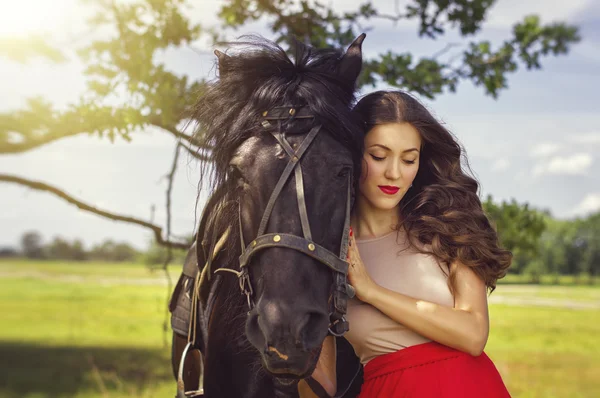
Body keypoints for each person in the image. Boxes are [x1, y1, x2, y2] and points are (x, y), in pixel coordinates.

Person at [301, 90, 512, 398]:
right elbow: (320, 383)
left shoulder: (450, 227)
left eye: (409, 159)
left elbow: (473, 334)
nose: (394, 173)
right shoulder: (329, 252)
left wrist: (370, 291)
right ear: (350, 153)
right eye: (378, 156)